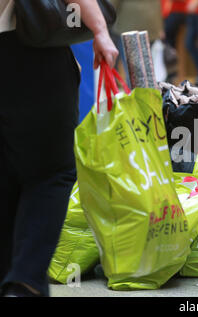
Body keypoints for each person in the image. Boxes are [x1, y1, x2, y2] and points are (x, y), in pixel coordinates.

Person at [0, 0, 118, 297]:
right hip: (34, 53)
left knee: (7, 171)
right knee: (53, 171)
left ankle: (12, 278)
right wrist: (100, 31)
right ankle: (24, 280)